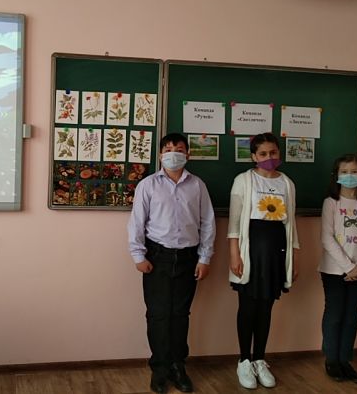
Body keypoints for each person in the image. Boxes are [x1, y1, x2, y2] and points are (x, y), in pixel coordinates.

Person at [128, 133, 216, 393]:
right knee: (157, 315)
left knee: (180, 315)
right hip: (157, 258)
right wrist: (138, 256)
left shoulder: (198, 185)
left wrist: (205, 258)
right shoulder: (148, 185)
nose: (173, 153)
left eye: (178, 149)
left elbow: (208, 223)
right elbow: (137, 222)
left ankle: (178, 366)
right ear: (160, 155)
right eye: (168, 149)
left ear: (188, 154)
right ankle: (159, 368)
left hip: (189, 258)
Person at [228, 132, 300, 389]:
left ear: (279, 153)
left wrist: (294, 257)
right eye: (263, 154)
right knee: (248, 307)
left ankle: (259, 358)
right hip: (250, 252)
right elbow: (234, 223)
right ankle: (244, 360)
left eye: (273, 152)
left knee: (266, 309)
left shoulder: (287, 184)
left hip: (276, 252)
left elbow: (291, 225)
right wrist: (235, 255)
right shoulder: (243, 180)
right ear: (254, 157)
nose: (269, 157)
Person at [319, 154, 357, 384]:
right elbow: (327, 238)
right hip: (334, 271)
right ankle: (332, 360)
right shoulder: (331, 203)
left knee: (352, 317)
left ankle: (345, 360)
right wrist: (347, 267)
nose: (349, 176)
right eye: (344, 172)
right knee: (335, 315)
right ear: (336, 176)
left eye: (354, 171)